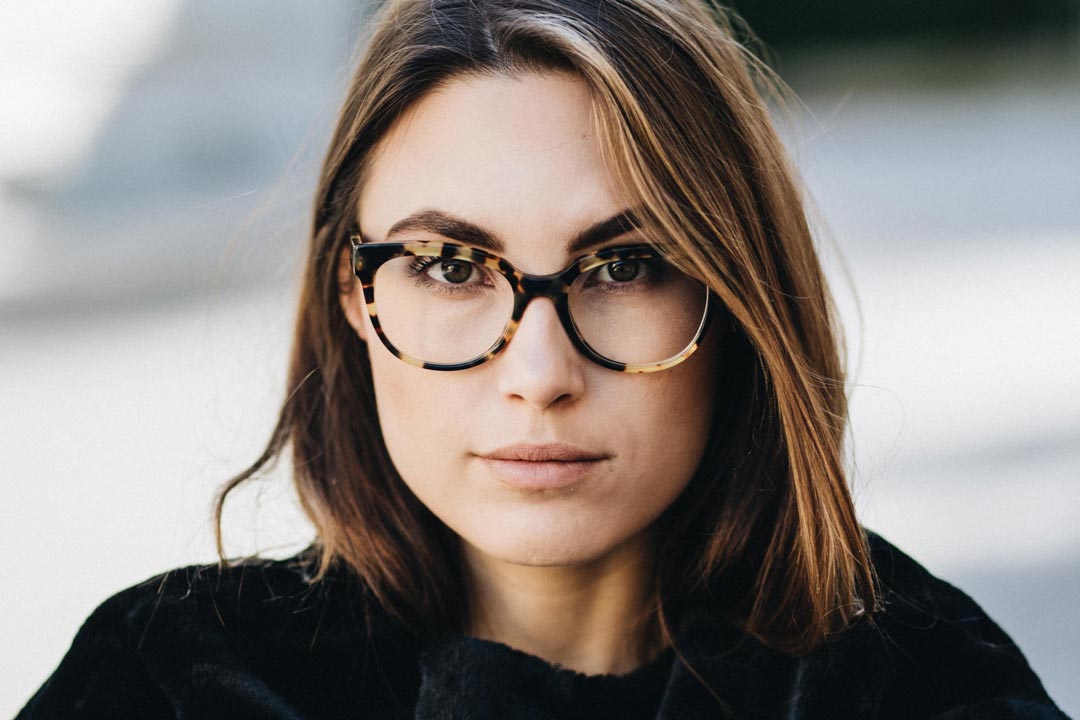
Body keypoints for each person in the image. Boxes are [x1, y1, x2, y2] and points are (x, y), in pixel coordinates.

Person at [18, 0, 1068, 717]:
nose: (539, 372)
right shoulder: (170, 682)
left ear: (737, 296)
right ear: (354, 295)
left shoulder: (916, 683)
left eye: (623, 267)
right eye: (447, 264)